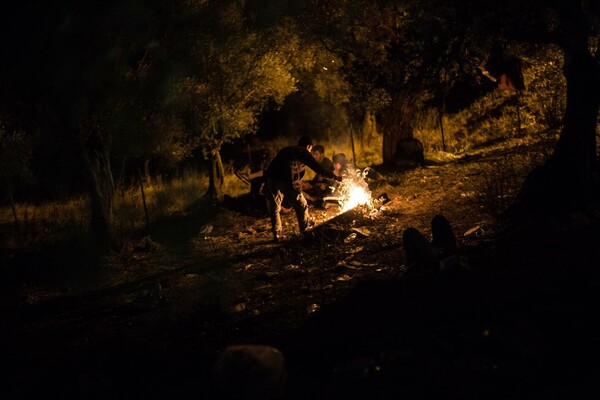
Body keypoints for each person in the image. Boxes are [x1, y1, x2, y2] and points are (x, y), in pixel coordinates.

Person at [264, 136, 341, 242]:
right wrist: (336, 178)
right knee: (302, 204)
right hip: (284, 179)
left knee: (275, 207)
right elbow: (318, 169)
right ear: (308, 146)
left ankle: (277, 234)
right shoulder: (302, 151)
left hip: (271, 178)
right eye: (310, 149)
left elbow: (280, 166)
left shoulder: (287, 150)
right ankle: (305, 232)